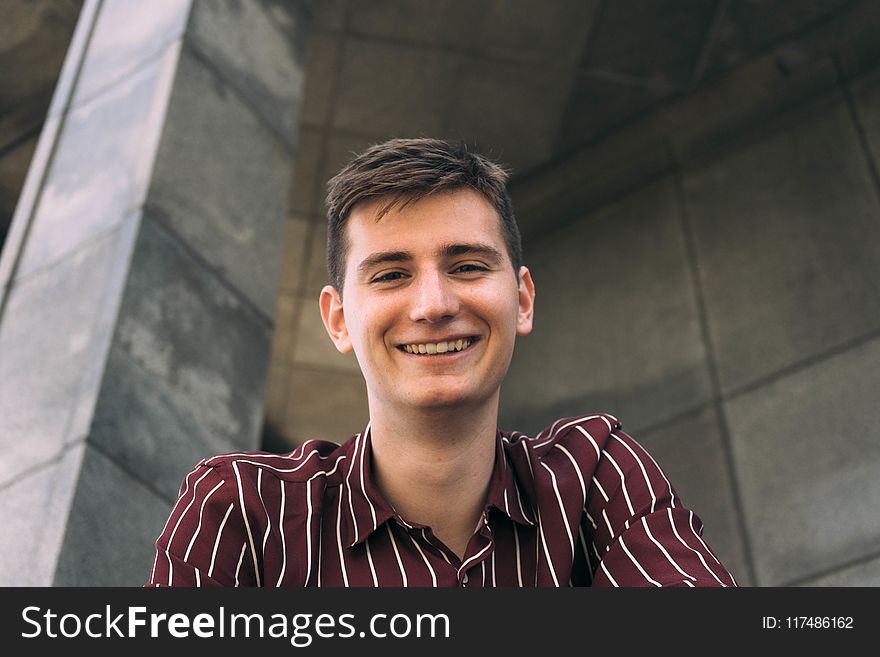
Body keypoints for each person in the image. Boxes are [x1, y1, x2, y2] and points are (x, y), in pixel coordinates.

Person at [146, 137, 736, 588]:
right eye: (391, 275)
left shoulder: (593, 475)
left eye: (468, 266)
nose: (434, 305)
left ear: (522, 299)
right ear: (338, 320)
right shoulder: (244, 511)